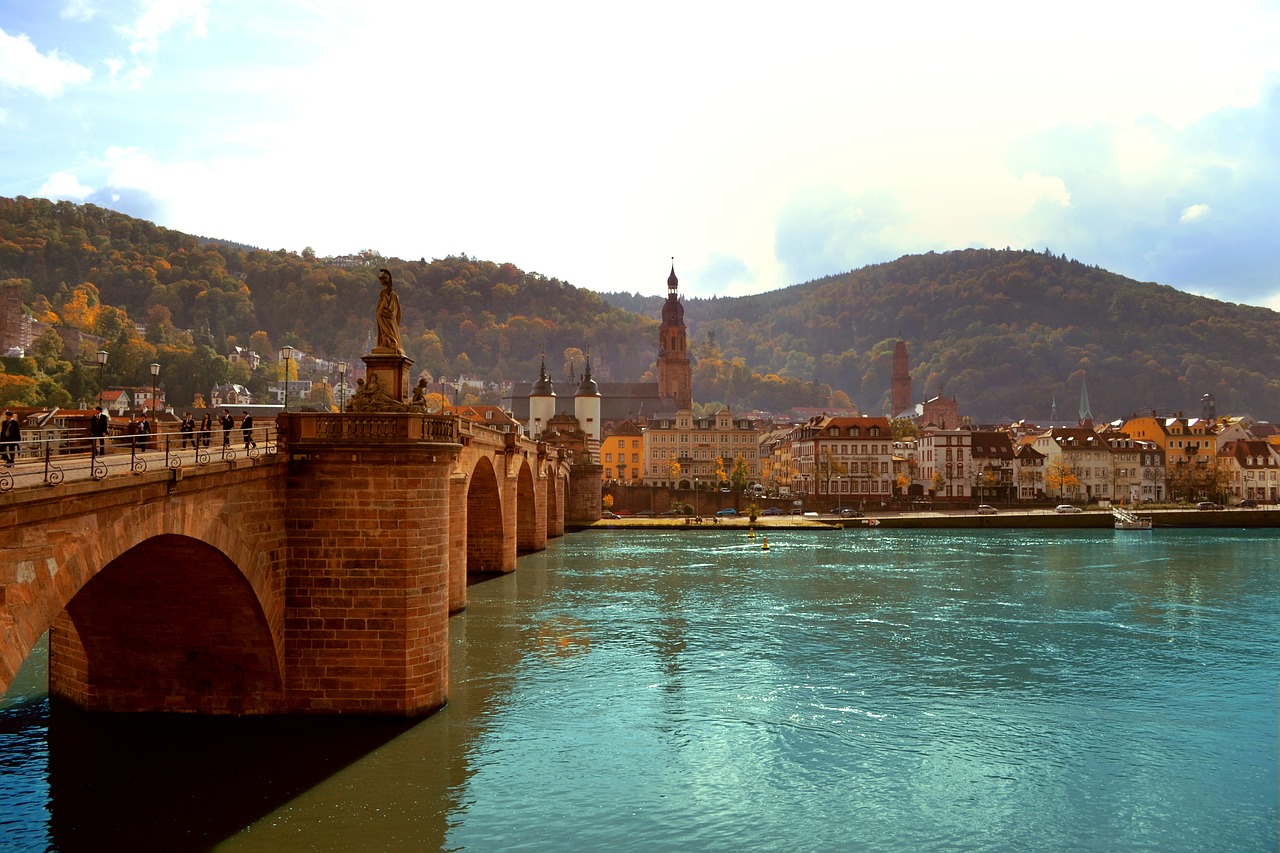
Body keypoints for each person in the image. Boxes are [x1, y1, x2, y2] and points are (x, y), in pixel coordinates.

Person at [374, 268, 403, 354]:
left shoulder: (385, 292)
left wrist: (380, 310)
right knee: (390, 333)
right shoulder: (393, 294)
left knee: (387, 333)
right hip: (391, 320)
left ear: (385, 280)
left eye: (381, 279)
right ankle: (389, 343)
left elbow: (385, 304)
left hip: (384, 317)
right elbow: (398, 313)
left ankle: (388, 343)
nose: (380, 281)